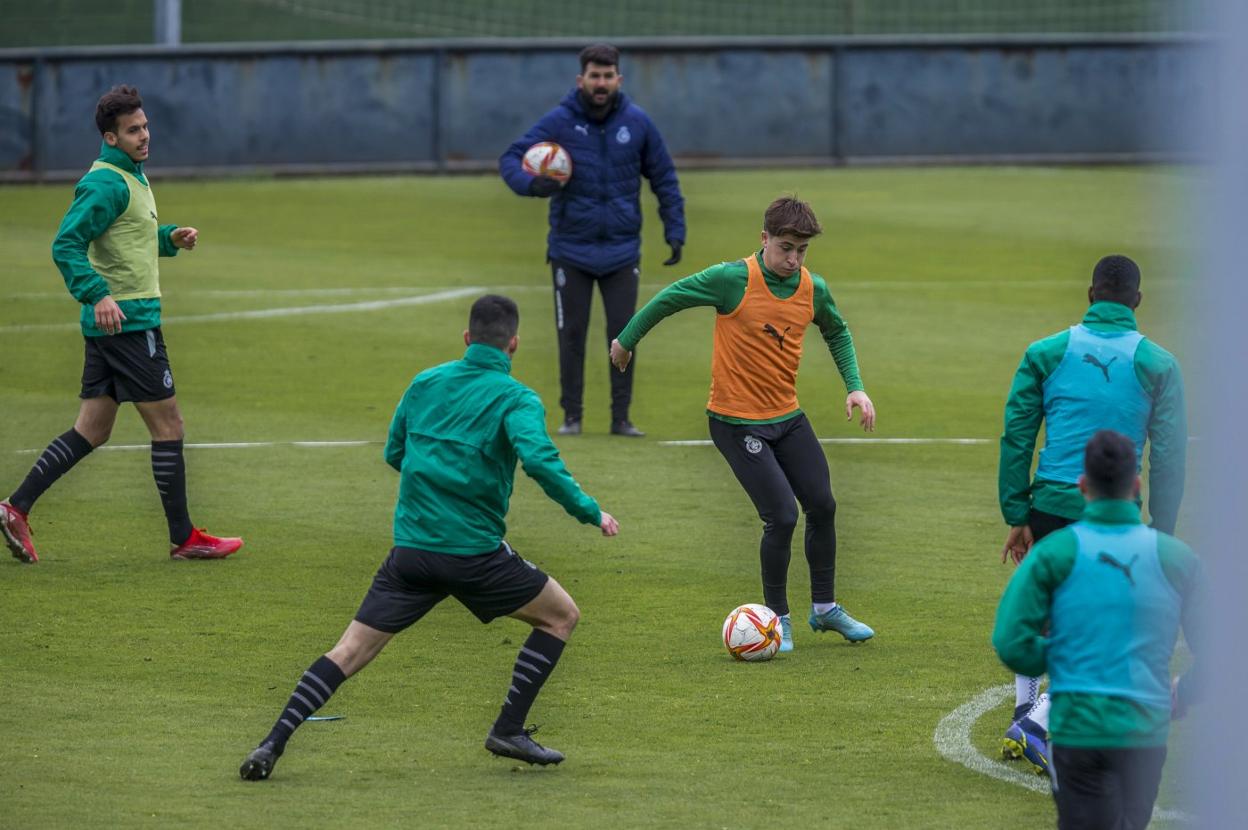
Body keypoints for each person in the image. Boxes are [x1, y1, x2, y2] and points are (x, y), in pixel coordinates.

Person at [239, 295, 620, 780]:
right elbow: (541, 462)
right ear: (514, 344)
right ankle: (509, 728)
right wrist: (590, 512)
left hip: (411, 554)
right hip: (474, 556)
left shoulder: (425, 382)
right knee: (561, 615)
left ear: (467, 339)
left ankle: (271, 743)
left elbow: (396, 452)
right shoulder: (516, 398)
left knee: (348, 651)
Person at [609, 196, 876, 653]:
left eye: (802, 250)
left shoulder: (813, 288)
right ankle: (777, 620)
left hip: (787, 418)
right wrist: (625, 341)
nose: (793, 259)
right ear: (764, 239)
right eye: (786, 247)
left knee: (823, 504)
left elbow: (836, 330)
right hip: (736, 423)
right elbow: (670, 298)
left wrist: (855, 386)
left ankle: (825, 609)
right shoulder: (733, 279)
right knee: (783, 516)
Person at [0, 85, 242, 564]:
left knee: (92, 430)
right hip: (130, 323)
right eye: (133, 130)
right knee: (169, 425)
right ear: (110, 137)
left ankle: (15, 507)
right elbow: (65, 245)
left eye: (145, 126)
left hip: (114, 324)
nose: (144, 136)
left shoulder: (130, 177)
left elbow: (129, 235)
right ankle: (184, 539)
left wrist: (169, 237)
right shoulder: (106, 182)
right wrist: (98, 294)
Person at [997, 255, 1187, 773]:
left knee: (1043, 608)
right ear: (1137, 302)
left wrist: (1017, 511)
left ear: (1090, 295)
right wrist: (1160, 532)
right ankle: (1034, 722)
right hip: (1115, 515)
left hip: (1050, 505)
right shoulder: (1160, 364)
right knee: (1104, 630)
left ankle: (1025, 709)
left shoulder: (1046, 352)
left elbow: (1018, 435)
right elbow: (1170, 456)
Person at [993, 430, 1201, 828]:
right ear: (1137, 486)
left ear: (1083, 486)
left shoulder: (1056, 552)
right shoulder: (1177, 558)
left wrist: (1063, 659)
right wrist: (1185, 693)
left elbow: (1010, 639)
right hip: (1144, 731)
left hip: (1077, 731)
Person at [499, 42, 686, 438]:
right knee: (571, 337)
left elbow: (664, 178)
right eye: (594, 76)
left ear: (618, 79)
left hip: (621, 251)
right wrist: (534, 186)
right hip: (570, 250)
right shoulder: (560, 121)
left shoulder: (637, 123)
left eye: (607, 76)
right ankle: (573, 418)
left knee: (625, 335)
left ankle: (621, 419)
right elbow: (510, 158)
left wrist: (675, 229)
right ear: (580, 79)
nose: (600, 83)